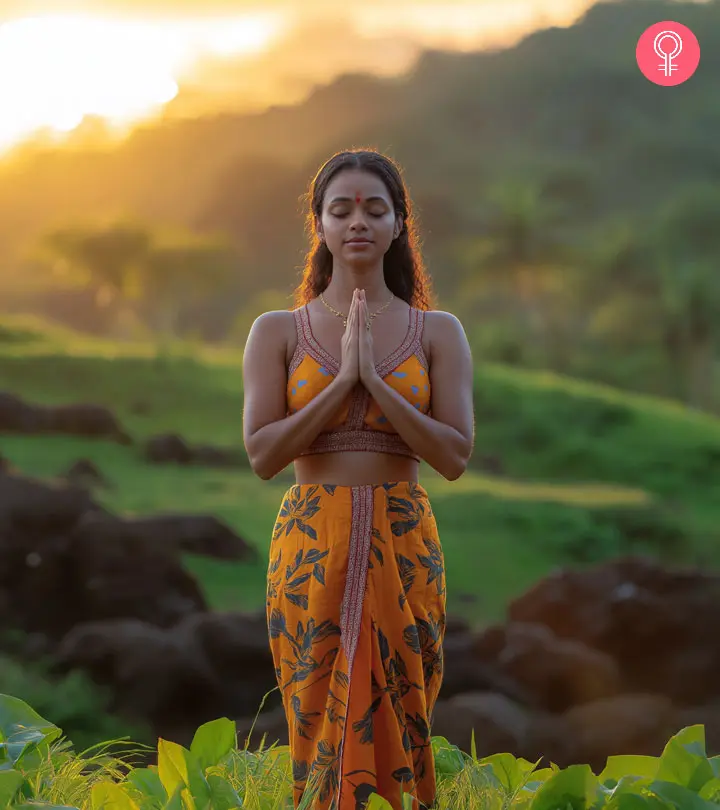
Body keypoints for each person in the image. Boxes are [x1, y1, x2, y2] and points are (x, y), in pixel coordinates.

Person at [242, 148, 474, 810]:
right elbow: (262, 456)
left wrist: (377, 381)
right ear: (318, 223)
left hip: (404, 541)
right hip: (312, 542)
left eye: (375, 208)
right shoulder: (278, 332)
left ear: (400, 222)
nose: (357, 222)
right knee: (317, 718)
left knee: (405, 715)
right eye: (340, 209)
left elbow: (454, 457)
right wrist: (341, 380)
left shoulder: (439, 332)